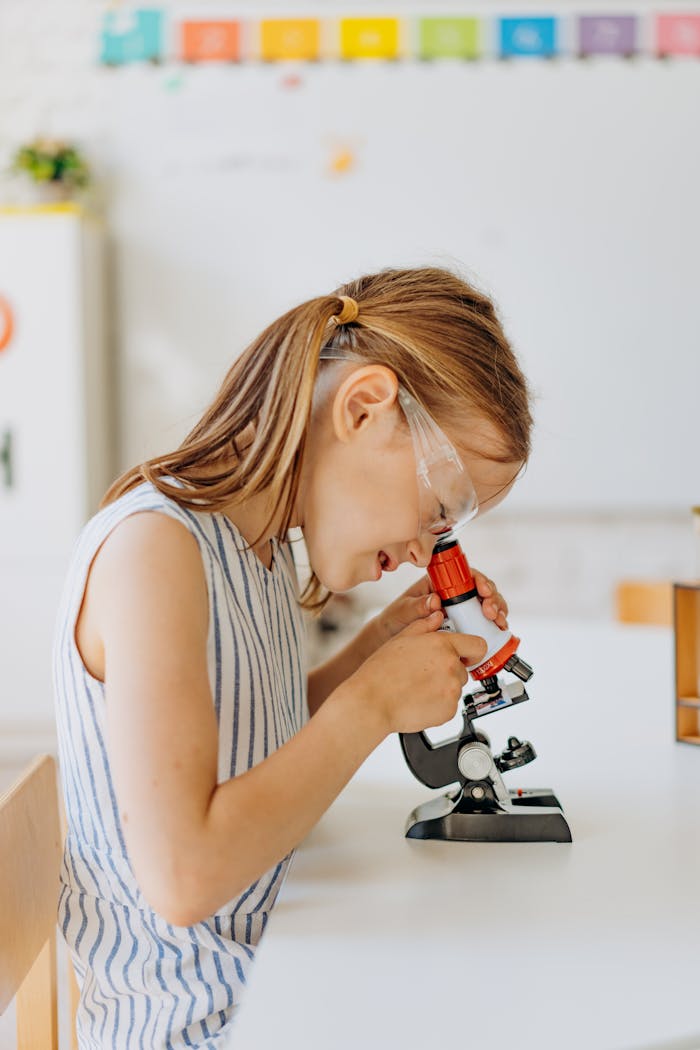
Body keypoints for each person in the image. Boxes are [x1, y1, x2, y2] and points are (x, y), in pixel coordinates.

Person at [53, 265, 532, 1048]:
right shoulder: (155, 551)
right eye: (439, 508)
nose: (425, 551)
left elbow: (249, 742)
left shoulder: (262, 550)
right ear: (365, 408)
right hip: (200, 1025)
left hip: (277, 982)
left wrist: (377, 648)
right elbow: (184, 877)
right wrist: (371, 703)